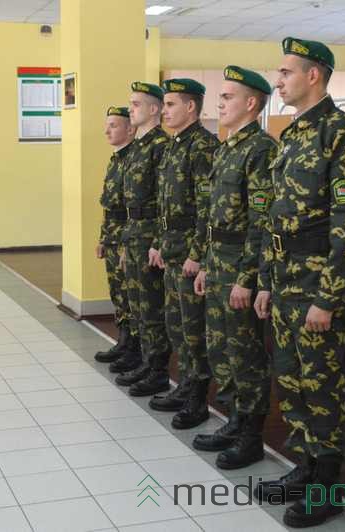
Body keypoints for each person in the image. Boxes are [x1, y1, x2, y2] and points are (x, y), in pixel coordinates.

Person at [252, 38, 345, 528]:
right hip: (283, 282)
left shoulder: (341, 134)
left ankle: (328, 482)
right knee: (291, 378)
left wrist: (328, 297)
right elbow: (274, 218)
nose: (277, 81)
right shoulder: (294, 134)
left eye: (285, 73)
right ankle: (304, 467)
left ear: (313, 76)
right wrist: (264, 280)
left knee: (322, 385)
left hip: (317, 283)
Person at [191, 66, 276, 469]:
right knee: (221, 349)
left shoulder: (260, 150)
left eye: (227, 97)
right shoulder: (226, 147)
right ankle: (234, 419)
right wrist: (208, 263)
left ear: (251, 103)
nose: (220, 103)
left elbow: (261, 221)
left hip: (241, 265)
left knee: (246, 355)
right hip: (219, 262)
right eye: (220, 97)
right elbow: (212, 215)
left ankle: (251, 436)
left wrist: (247, 278)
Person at [147, 79, 220, 426]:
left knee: (194, 330)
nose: (165, 110)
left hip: (190, 252)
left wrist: (198, 254)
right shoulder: (174, 145)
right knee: (176, 325)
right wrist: (160, 243)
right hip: (172, 249)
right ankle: (185, 384)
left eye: (171, 104)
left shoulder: (203, 147)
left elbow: (207, 208)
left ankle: (197, 398)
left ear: (191, 107)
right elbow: (166, 205)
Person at [112, 82, 172, 398]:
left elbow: (165, 200)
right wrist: (124, 243)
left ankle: (158, 370)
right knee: (137, 305)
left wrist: (158, 241)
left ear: (153, 109)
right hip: (134, 232)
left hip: (150, 234)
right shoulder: (137, 147)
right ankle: (145, 361)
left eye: (136, 104)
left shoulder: (160, 145)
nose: (131, 109)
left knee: (151, 307)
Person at [95, 106, 140, 364]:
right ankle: (123, 341)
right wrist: (103, 238)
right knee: (118, 294)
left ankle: (134, 348)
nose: (107, 130)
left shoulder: (134, 160)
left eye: (113, 125)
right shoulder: (116, 159)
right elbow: (109, 205)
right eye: (107, 124)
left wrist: (125, 244)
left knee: (131, 296)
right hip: (113, 237)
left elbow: (132, 209)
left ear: (130, 129)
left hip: (127, 237)